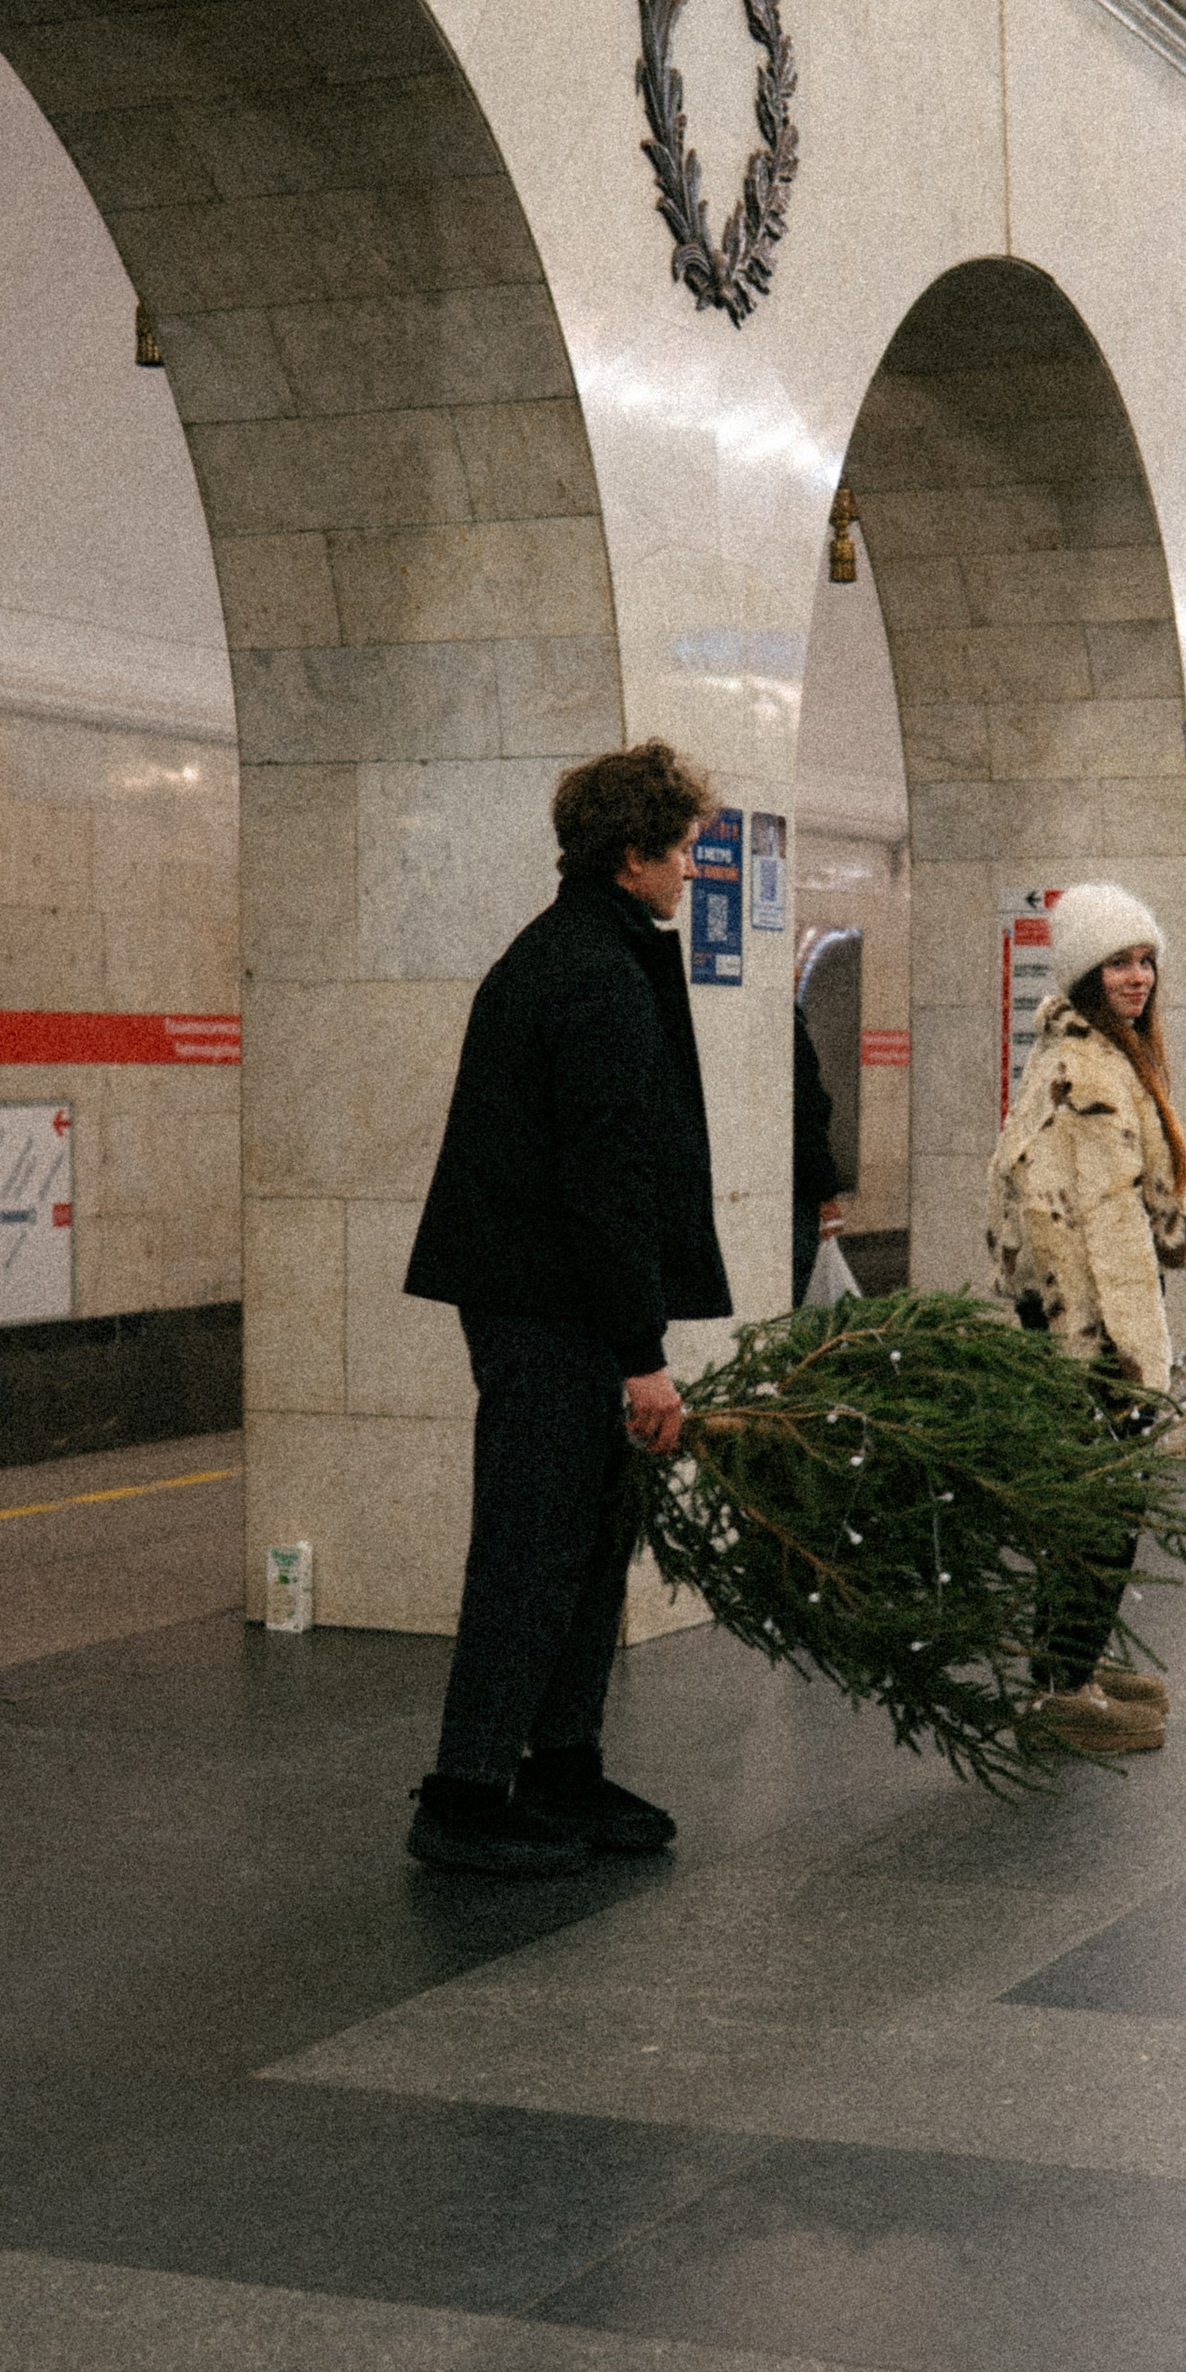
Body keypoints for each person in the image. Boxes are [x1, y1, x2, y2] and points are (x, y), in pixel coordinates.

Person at [402, 740, 734, 1875]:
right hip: (549, 1308)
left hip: (553, 1297)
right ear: (631, 853)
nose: (693, 869)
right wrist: (639, 1354)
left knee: (589, 1539)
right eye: (683, 850)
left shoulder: (591, 947)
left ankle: (562, 1765)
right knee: (534, 1544)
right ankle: (463, 1790)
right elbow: (604, 1177)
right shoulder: (589, 971)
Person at [987, 883, 1186, 1757]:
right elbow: (1083, 1232)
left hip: (1082, 1329)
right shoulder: (1084, 1072)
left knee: (1098, 1505)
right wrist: (1122, 1355)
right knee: (1100, 1508)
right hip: (1093, 1334)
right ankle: (1062, 1687)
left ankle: (1069, 1663)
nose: (1138, 976)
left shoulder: (1096, 1056)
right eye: (1118, 962)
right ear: (1083, 973)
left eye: (1145, 958)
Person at [791, 995, 846, 1305]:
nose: (798, 973)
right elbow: (808, 1115)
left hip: (790, 1184)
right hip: (799, 1193)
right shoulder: (791, 1032)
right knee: (800, 1281)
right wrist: (825, 1193)